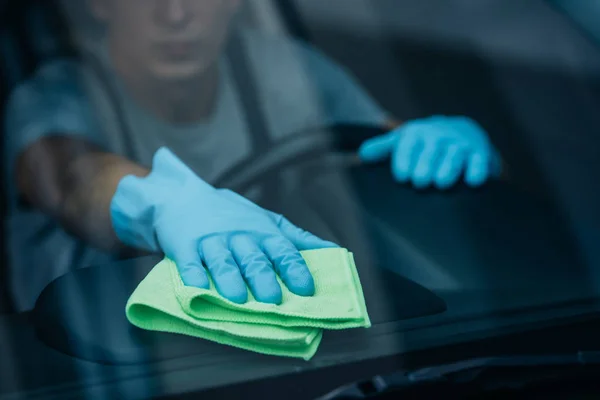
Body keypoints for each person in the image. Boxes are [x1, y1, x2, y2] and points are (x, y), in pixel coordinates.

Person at [3, 0, 502, 311]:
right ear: (101, 3)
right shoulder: (55, 98)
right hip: (99, 363)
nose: (175, 14)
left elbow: (388, 139)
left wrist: (443, 148)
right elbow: (67, 176)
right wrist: (160, 205)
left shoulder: (287, 72)